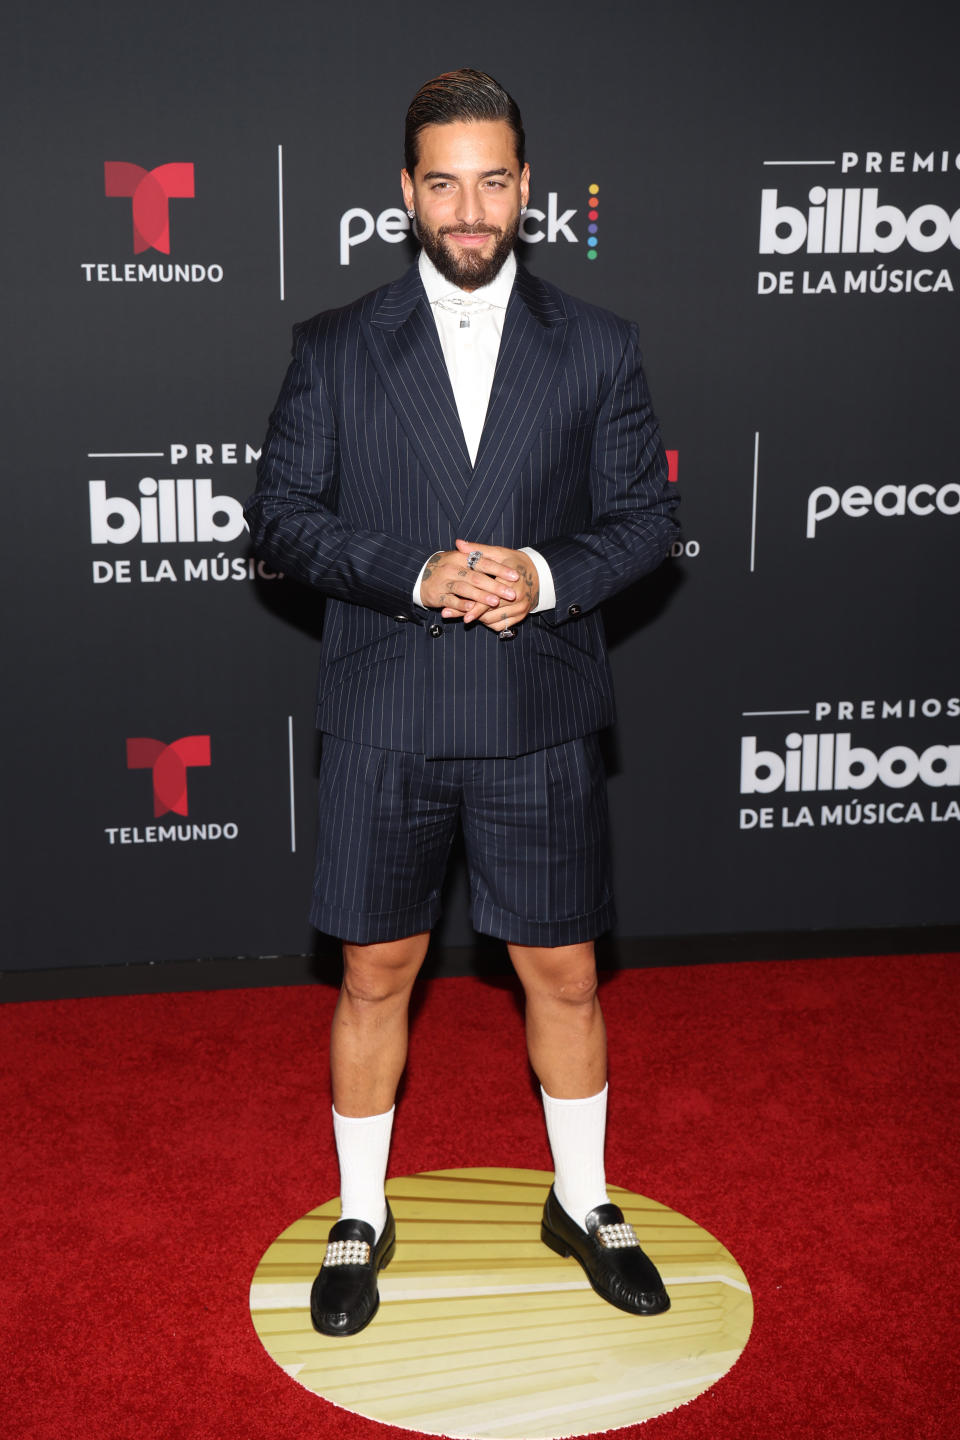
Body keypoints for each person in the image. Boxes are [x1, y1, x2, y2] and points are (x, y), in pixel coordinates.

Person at [246, 68, 680, 1338]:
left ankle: (586, 1201)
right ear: (406, 194)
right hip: (388, 696)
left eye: (493, 180)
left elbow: (649, 519)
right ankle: (359, 1214)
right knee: (377, 970)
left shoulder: (598, 344)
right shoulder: (332, 346)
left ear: (527, 188)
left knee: (564, 969)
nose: (470, 207)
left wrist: (546, 575)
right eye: (444, 182)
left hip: (537, 704)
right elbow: (280, 516)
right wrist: (414, 569)